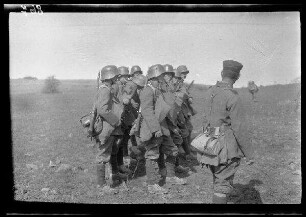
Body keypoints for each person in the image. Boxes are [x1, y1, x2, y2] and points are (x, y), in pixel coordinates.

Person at [200, 60, 254, 204]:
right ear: (237, 77)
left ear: (222, 73)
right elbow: (239, 128)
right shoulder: (232, 96)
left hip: (209, 142)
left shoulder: (209, 91)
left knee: (217, 177)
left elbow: (205, 119)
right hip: (225, 146)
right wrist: (248, 153)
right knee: (222, 184)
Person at [88, 65, 128, 188]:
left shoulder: (105, 88)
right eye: (115, 76)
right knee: (103, 155)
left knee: (110, 152)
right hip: (106, 127)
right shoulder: (105, 90)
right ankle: (102, 185)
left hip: (108, 127)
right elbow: (102, 110)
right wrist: (116, 121)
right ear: (111, 76)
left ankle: (113, 175)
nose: (117, 78)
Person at [160, 64, 190, 175]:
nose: (169, 77)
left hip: (173, 119)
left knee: (176, 141)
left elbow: (182, 96)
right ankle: (166, 171)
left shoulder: (173, 87)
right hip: (165, 121)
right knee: (167, 145)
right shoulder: (161, 87)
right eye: (166, 75)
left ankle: (174, 166)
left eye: (170, 75)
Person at [176, 65, 197, 161]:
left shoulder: (182, 83)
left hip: (185, 110)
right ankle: (185, 152)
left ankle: (187, 147)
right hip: (178, 110)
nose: (185, 75)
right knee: (184, 131)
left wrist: (189, 97)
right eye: (183, 73)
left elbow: (186, 93)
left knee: (189, 128)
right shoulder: (175, 82)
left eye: (185, 74)